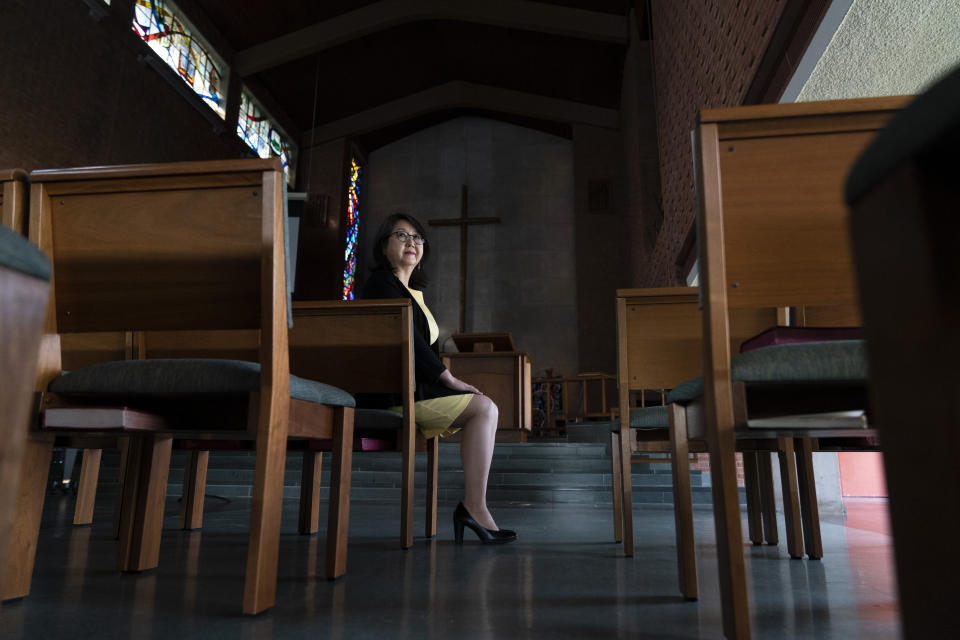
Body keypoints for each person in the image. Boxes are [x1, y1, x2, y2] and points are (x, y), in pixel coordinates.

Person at [361, 212, 516, 545]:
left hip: (414, 389)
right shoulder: (380, 284)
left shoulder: (413, 292)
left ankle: (473, 506)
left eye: (417, 238)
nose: (412, 242)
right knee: (484, 409)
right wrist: (449, 378)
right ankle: (473, 507)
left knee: (485, 408)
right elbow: (407, 341)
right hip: (394, 395)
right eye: (401, 235)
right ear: (383, 244)